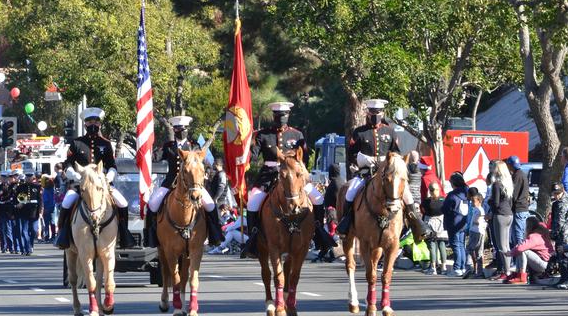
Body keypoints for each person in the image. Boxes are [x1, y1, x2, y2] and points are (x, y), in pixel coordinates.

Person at [241, 102, 333, 257]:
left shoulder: (297, 135)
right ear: (274, 116)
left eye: (284, 115)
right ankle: (254, 239)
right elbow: (254, 156)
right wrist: (244, 155)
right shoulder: (263, 134)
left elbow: (303, 157)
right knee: (253, 203)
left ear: (288, 116)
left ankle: (318, 233)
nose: (281, 118)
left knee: (317, 198)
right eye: (278, 116)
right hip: (269, 175)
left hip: (294, 176)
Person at [55, 107, 134, 250]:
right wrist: (76, 175)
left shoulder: (106, 144)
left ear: (100, 124)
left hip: (101, 184)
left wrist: (109, 177)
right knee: (66, 203)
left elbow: (111, 165)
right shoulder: (76, 143)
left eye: (96, 122)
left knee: (123, 203)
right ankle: (63, 235)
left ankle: (123, 234)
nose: (93, 124)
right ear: (85, 124)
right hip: (80, 184)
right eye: (90, 122)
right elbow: (67, 164)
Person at [338, 99, 417, 236]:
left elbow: (397, 152)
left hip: (387, 174)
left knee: (407, 195)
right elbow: (351, 153)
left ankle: (414, 225)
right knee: (350, 193)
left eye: (378, 112)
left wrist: (387, 160)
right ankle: (346, 223)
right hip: (366, 173)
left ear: (383, 112)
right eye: (373, 112)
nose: (375, 115)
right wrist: (361, 159)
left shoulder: (390, 131)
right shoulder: (359, 132)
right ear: (367, 113)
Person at [146, 116, 224, 249]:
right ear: (174, 130)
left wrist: (205, 174)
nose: (181, 131)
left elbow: (207, 165)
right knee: (152, 204)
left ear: (187, 130)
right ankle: (151, 237)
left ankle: (215, 234)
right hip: (171, 183)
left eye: (183, 129)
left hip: (193, 185)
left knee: (211, 205)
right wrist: (146, 151)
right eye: (178, 128)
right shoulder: (169, 146)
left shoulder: (194, 146)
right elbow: (155, 158)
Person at [503, 220, 554, 284]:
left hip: (544, 265)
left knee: (524, 251)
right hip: (547, 264)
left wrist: (510, 253)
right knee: (521, 250)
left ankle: (521, 276)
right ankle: (517, 274)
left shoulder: (534, 236)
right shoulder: (543, 236)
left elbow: (520, 248)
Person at [488, 160, 514, 280]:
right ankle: (507, 269)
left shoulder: (497, 185)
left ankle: (507, 271)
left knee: (501, 245)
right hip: (509, 214)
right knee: (506, 245)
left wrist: (489, 202)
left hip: (500, 215)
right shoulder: (508, 184)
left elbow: (496, 203)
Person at [442, 172, 469, 276]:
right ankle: (462, 266)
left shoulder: (452, 195)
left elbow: (445, 208)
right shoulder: (466, 193)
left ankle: (457, 267)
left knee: (455, 245)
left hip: (453, 222)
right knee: (461, 245)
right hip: (463, 222)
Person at [421, 181, 448, 275]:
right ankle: (444, 267)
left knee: (432, 245)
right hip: (441, 222)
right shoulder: (444, 200)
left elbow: (423, 211)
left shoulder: (427, 202)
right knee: (442, 244)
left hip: (430, 223)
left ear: (430, 191)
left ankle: (433, 268)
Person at [506, 156, 531, 255]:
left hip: (519, 210)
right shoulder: (520, 174)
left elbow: (513, 194)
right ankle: (518, 263)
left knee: (519, 238)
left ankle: (521, 265)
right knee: (517, 236)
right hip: (520, 209)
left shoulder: (518, 175)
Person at [15, 169, 42, 255]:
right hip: (24, 211)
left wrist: (41, 211)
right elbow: (16, 198)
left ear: (33, 177)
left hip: (34, 211)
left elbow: (40, 200)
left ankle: (30, 245)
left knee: (34, 230)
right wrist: (18, 204)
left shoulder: (37, 187)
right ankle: (28, 247)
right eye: (27, 176)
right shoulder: (20, 187)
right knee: (24, 231)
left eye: (30, 176)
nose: (29, 178)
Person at [465, 187, 487, 279]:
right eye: (472, 201)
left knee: (471, 249)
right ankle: (477, 270)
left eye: (474, 201)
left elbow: (481, 216)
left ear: (479, 201)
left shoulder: (479, 210)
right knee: (476, 251)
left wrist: (477, 220)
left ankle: (476, 269)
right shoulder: (475, 209)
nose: (472, 203)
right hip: (474, 231)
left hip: (477, 232)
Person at [0, 171, 16, 253]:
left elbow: (13, 197)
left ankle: (11, 247)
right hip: (0, 209)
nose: (4, 179)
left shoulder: (11, 187)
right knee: (2, 229)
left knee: (9, 229)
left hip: (8, 209)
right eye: (3, 177)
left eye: (6, 177)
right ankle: (3, 247)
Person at [41, 175, 57, 242]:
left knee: (47, 223)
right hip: (53, 207)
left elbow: (45, 200)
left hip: (47, 208)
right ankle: (53, 236)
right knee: (52, 222)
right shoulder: (53, 189)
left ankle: (47, 237)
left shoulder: (45, 190)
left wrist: (44, 208)